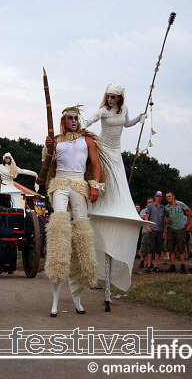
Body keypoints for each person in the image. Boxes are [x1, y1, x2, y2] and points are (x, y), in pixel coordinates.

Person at [84, 84, 150, 302]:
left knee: (118, 183)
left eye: (114, 97)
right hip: (103, 149)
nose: (110, 99)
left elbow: (127, 124)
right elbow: (91, 119)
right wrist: (79, 128)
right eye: (108, 96)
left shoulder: (124, 109)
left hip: (117, 152)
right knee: (103, 181)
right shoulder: (103, 110)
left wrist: (140, 118)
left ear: (120, 98)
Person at [45, 105, 108, 317]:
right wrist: (47, 149)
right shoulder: (56, 141)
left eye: (75, 118)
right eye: (69, 118)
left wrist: (95, 186)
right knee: (60, 228)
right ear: (63, 121)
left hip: (80, 184)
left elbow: (96, 164)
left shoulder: (86, 140)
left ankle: (78, 297)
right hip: (59, 183)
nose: (73, 121)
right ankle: (55, 296)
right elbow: (47, 163)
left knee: (81, 231)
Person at [165, 191, 191, 274]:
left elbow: (189, 210)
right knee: (171, 247)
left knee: (181, 247)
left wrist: (188, 222)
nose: (168, 198)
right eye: (167, 197)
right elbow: (165, 217)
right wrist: (166, 220)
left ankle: (182, 265)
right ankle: (172, 265)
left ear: (173, 196)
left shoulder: (180, 204)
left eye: (169, 196)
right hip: (171, 228)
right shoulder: (166, 207)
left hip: (180, 228)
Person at [145, 191, 166, 273]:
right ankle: (149, 264)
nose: (158, 198)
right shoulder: (150, 206)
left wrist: (164, 231)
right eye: (157, 196)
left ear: (161, 198)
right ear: (155, 197)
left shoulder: (163, 207)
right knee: (151, 247)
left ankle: (156, 265)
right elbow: (147, 216)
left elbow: (164, 220)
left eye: (160, 196)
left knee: (158, 248)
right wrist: (147, 226)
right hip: (152, 229)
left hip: (160, 229)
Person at [139, 197, 154, 268]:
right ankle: (142, 261)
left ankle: (150, 262)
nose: (150, 204)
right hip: (145, 231)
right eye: (149, 202)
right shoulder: (143, 211)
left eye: (151, 202)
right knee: (144, 246)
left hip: (153, 231)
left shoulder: (155, 210)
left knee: (151, 247)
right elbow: (142, 218)